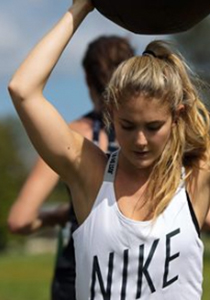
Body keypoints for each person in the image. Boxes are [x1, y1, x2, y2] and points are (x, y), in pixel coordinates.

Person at [8, 0, 210, 298]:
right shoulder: (89, 175)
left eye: (153, 126)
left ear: (177, 116)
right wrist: (80, 8)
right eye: (128, 126)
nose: (140, 140)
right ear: (110, 114)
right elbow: (23, 90)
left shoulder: (198, 177)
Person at [7, 35, 135, 300]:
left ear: (88, 80)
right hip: (137, 272)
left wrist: (62, 215)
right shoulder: (152, 136)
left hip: (77, 277)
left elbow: (19, 220)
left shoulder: (71, 136)